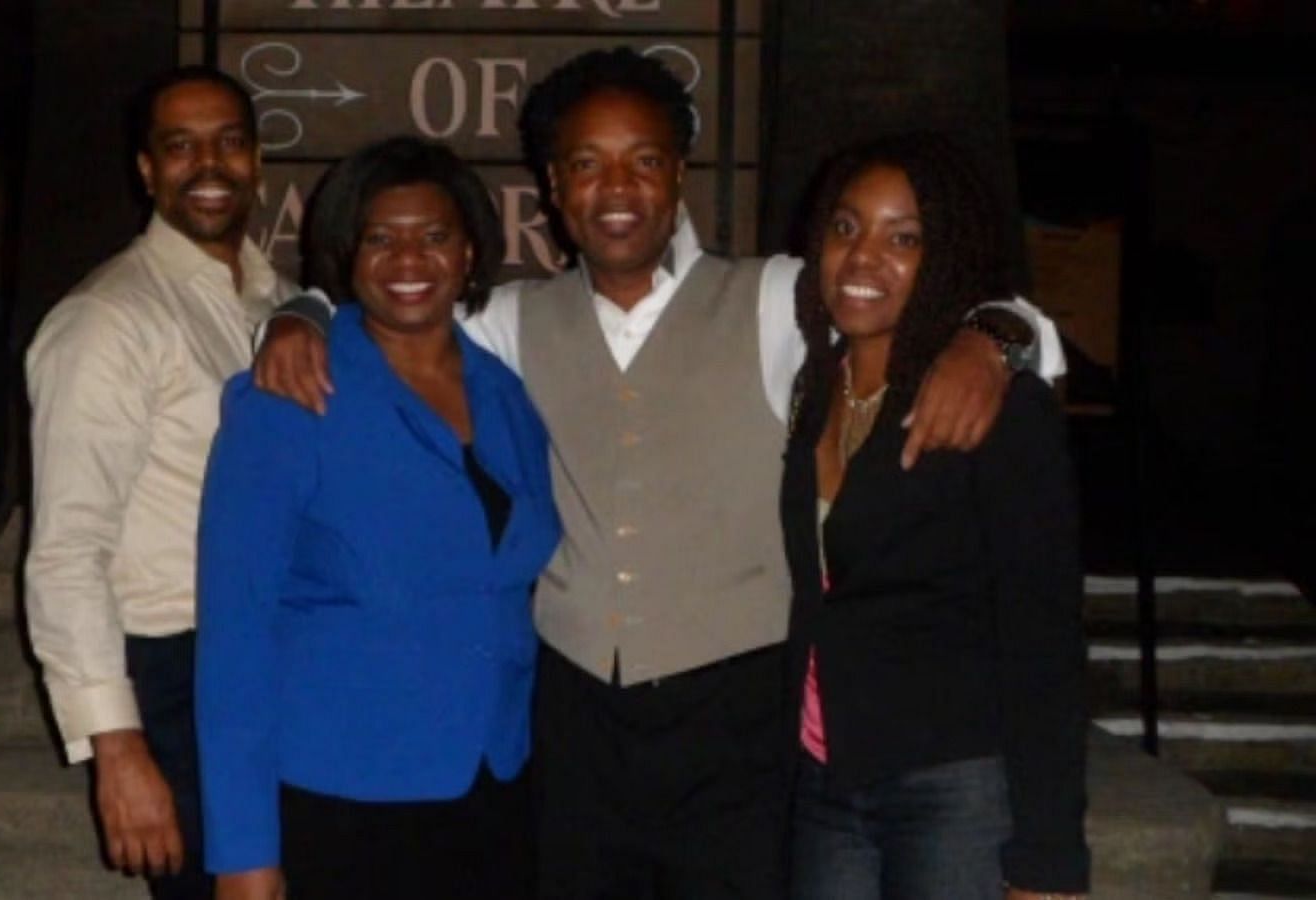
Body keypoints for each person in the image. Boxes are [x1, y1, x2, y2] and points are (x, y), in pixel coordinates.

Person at [255, 48, 1066, 899]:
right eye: (586, 164)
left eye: (643, 161)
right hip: (574, 725)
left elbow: (941, 304)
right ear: (554, 188)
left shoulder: (773, 297)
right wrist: (299, 312)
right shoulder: (510, 321)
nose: (616, 188)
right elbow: (391, 306)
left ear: (678, 175)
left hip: (738, 725)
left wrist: (993, 334)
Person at [194, 135, 561, 900]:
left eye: (433, 236)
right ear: (347, 254)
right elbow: (236, 635)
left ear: (469, 253)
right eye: (380, 238)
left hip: (494, 787)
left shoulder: (508, 395)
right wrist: (243, 854)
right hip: (341, 797)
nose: (408, 259)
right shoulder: (288, 398)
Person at [780, 133, 1089, 900]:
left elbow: (1043, 634)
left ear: (944, 255)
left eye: (904, 238)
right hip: (823, 783)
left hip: (954, 788)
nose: (863, 258)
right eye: (846, 228)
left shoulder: (999, 407)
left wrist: (1049, 857)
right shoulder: (810, 384)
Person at [22, 65, 295, 899]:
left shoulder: (271, 297)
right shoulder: (108, 322)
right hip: (175, 669)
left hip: (272, 659)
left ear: (255, 161)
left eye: (228, 142)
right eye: (180, 146)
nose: (207, 164)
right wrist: (117, 744)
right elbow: (66, 550)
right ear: (147, 169)